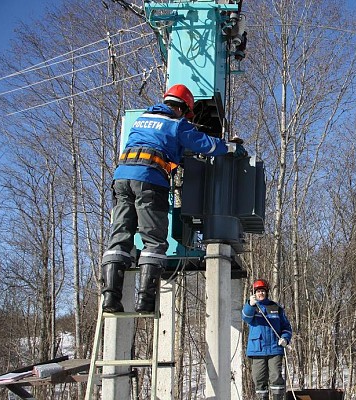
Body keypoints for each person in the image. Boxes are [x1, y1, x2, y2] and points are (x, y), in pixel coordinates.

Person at [101, 83, 247, 313]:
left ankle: (110, 298)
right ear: (182, 108)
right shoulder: (176, 124)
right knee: (154, 241)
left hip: (121, 179)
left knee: (119, 238)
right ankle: (145, 301)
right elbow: (204, 144)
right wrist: (228, 147)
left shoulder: (141, 120)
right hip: (149, 180)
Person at [242, 279, 293, 400]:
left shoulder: (276, 307)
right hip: (257, 349)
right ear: (255, 293)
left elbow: (286, 327)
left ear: (267, 292)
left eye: (263, 291)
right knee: (259, 378)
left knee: (276, 377)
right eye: (258, 291)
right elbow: (246, 317)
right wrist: (250, 304)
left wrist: (285, 339)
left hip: (275, 349)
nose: (261, 293)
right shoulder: (251, 306)